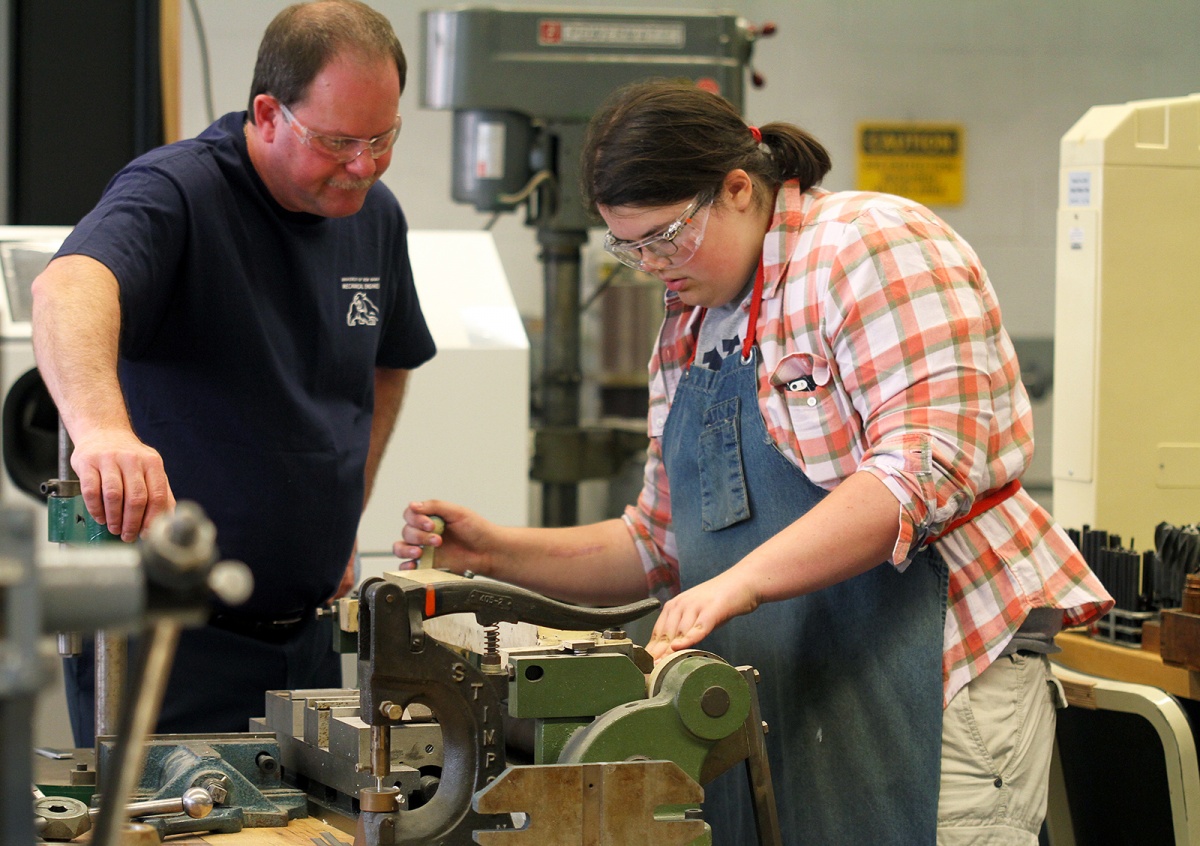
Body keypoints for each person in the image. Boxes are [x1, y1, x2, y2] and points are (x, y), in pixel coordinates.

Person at [397, 80, 1113, 845]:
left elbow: (922, 470)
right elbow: (660, 545)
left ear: (738, 189)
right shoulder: (690, 323)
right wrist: (496, 554)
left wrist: (738, 585)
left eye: (665, 238)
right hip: (795, 699)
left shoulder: (869, 245)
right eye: (629, 247)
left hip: (937, 687)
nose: (650, 266)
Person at [31, 0, 435, 746]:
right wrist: (102, 433)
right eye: (340, 141)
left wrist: (345, 511)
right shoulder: (177, 192)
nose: (364, 166)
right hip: (169, 642)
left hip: (308, 643)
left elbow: (389, 363)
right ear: (268, 113)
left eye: (383, 139)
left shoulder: (374, 217)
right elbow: (66, 288)